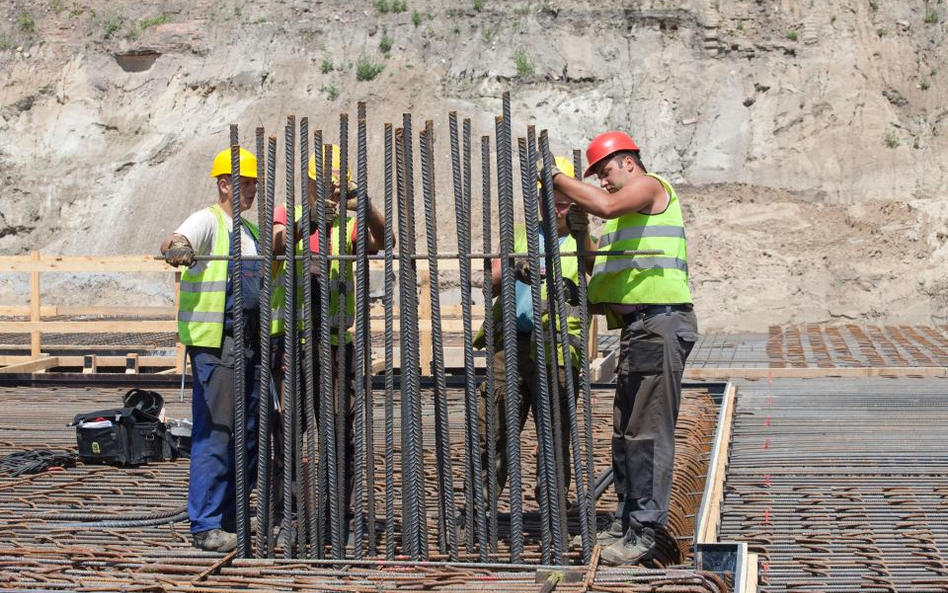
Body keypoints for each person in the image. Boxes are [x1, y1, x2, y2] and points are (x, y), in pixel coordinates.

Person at [549, 132, 699, 565]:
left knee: (648, 433)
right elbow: (604, 272)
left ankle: (646, 532)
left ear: (629, 161)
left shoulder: (652, 188)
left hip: (660, 323)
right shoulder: (622, 223)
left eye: (606, 172)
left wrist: (557, 176)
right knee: (626, 434)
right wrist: (580, 243)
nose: (605, 182)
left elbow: (606, 204)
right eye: (598, 176)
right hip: (637, 330)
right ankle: (625, 522)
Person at [269, 145, 386, 542]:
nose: (335, 191)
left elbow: (382, 238)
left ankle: (340, 518)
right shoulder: (289, 214)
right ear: (312, 183)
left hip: (337, 346)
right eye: (328, 183)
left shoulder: (349, 228)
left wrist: (365, 205)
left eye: (341, 185)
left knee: (340, 435)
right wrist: (309, 225)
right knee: (289, 434)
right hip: (294, 345)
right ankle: (293, 519)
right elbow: (276, 244)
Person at [475, 156, 594, 513]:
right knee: (492, 431)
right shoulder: (521, 233)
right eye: (552, 196)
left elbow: (598, 274)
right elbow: (485, 282)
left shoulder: (584, 240)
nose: (559, 204)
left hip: (559, 351)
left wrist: (582, 233)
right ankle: (480, 510)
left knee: (555, 438)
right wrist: (512, 266)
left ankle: (553, 512)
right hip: (510, 347)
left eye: (565, 196)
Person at [160, 147, 263, 552]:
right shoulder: (208, 221)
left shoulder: (249, 232)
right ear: (224, 183)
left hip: (249, 344)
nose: (252, 189)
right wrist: (177, 248)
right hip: (217, 343)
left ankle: (232, 515)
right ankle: (205, 524)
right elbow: (175, 238)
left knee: (248, 435)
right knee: (217, 434)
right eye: (246, 182)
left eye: (255, 183)